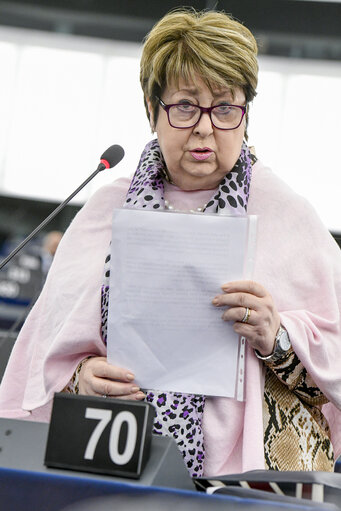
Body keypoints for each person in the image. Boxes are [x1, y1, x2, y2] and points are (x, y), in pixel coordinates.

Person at [1, 8, 341, 477]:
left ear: (246, 114)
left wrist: (276, 335)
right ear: (151, 108)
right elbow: (43, 358)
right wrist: (80, 378)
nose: (204, 127)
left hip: (241, 485)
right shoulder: (107, 209)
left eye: (224, 108)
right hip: (107, 460)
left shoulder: (286, 212)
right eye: (184, 106)